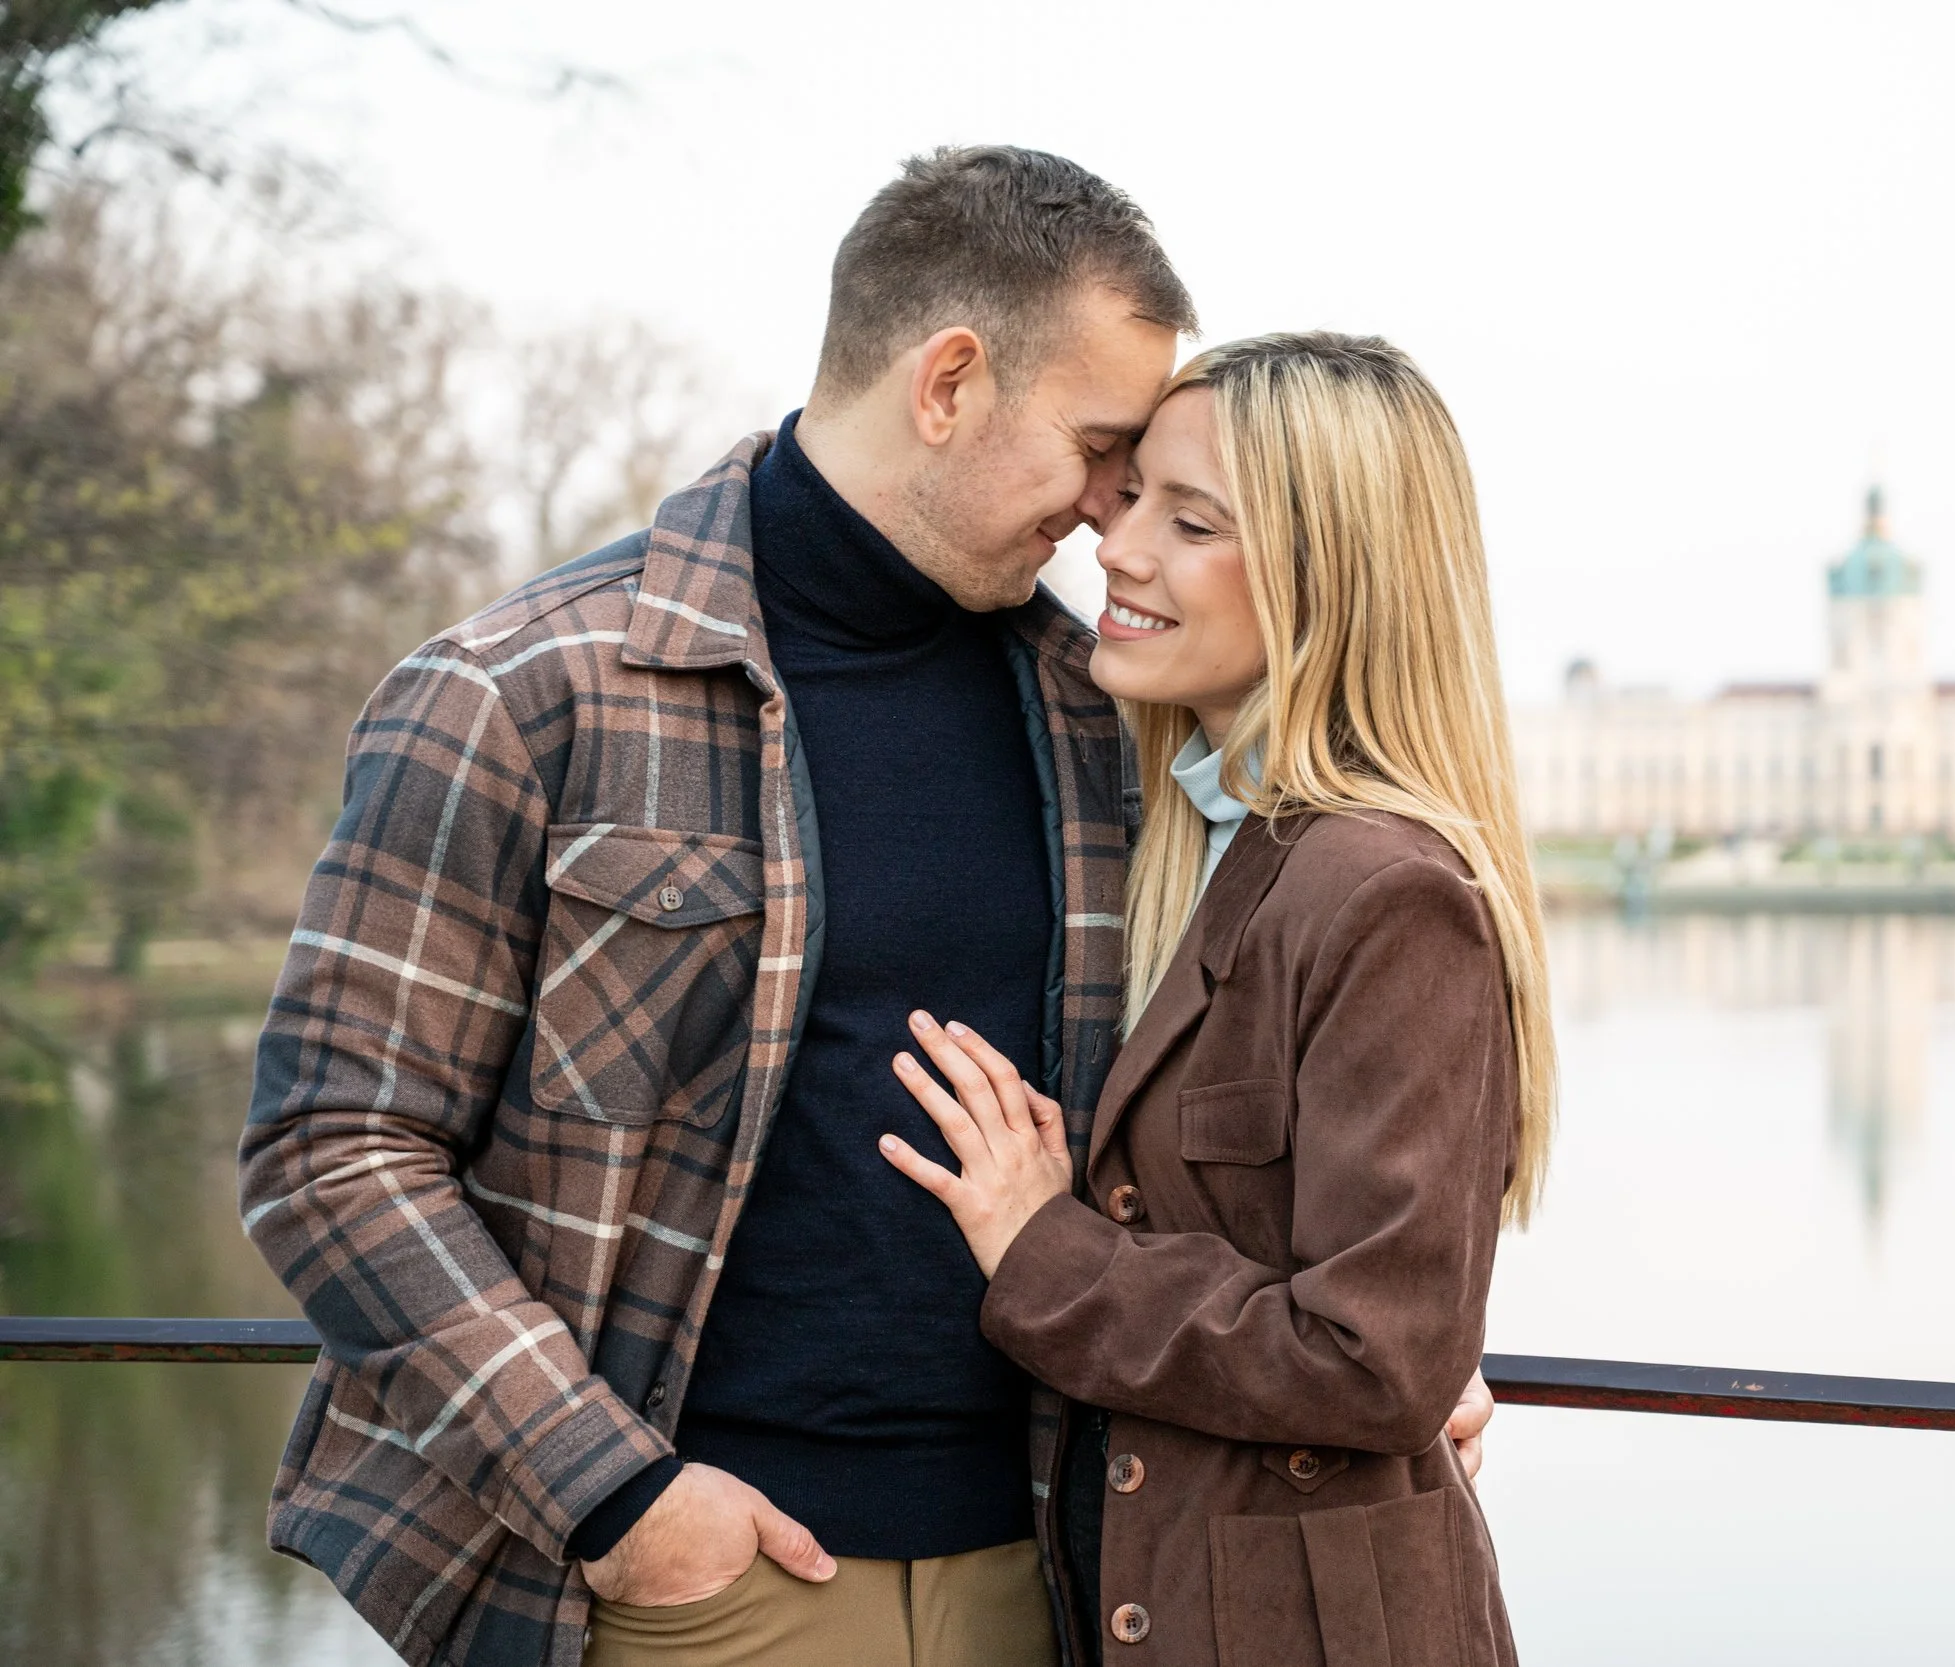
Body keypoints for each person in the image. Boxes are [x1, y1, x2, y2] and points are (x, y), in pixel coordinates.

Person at [236, 150, 1492, 1667]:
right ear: (950, 381)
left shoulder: (1101, 720)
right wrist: (614, 1496)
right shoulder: (519, 695)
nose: (1110, 515)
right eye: (1103, 449)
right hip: (705, 1580)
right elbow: (331, 1150)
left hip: (1069, 1576)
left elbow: (1273, 1088)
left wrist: (1380, 1346)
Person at [882, 333, 1551, 1666]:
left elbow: (1379, 1356)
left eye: (1189, 520)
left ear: (1328, 579)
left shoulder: (1385, 892)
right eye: (1128, 500)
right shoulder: (1192, 845)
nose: (1116, 548)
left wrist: (1043, 1245)